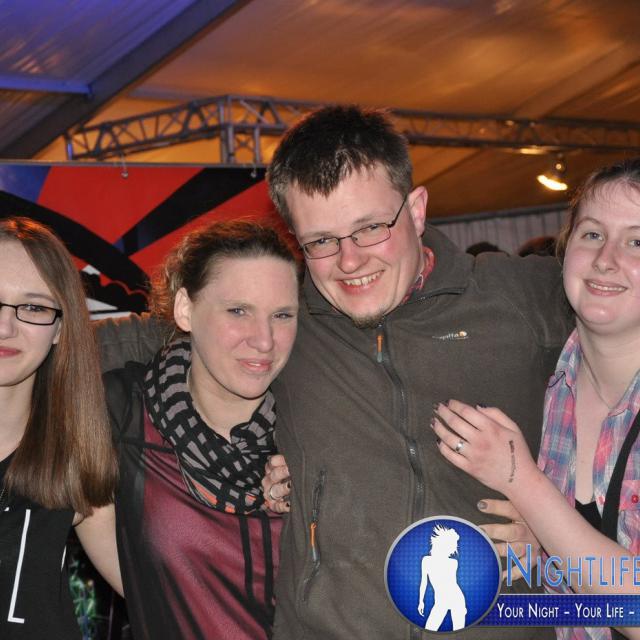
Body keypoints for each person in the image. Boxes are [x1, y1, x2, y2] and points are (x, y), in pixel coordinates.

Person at [98, 106, 570, 640]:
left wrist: (559, 531)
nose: (349, 261)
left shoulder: (521, 297)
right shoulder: (287, 319)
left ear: (416, 211)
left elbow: (623, 537)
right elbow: (143, 334)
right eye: (322, 241)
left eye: (370, 228)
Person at [432, 158, 640, 640]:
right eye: (592, 234)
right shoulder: (540, 383)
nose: (605, 258)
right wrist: (545, 556)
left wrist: (522, 481)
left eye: (637, 242)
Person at [102, 221, 300, 640]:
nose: (265, 340)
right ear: (185, 309)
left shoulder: (318, 426)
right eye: (238, 311)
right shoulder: (122, 416)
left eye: (282, 315)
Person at [0, 217, 121, 640]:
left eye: (34, 307)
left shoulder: (75, 458)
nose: (5, 327)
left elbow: (168, 601)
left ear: (60, 328)